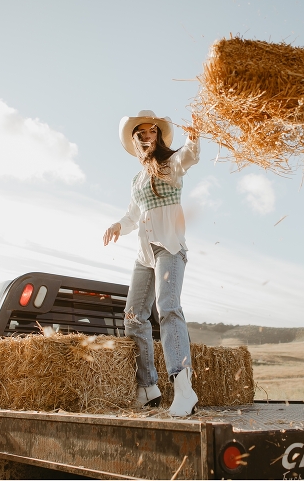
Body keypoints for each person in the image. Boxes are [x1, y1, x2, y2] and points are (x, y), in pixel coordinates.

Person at [103, 110, 200, 417]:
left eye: (152, 132)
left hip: (169, 248)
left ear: (158, 136)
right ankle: (148, 388)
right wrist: (118, 225)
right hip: (145, 255)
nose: (147, 137)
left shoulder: (170, 164)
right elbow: (133, 214)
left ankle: (184, 390)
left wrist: (194, 136)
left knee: (168, 308)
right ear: (135, 141)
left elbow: (190, 156)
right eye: (141, 133)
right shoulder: (137, 179)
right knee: (133, 316)